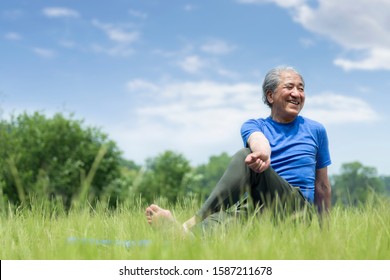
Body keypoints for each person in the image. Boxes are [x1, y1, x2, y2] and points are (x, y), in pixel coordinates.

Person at [145, 65, 332, 236]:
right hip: (254, 207)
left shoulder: (316, 130)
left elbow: (322, 186)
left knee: (245, 156)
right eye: (289, 87)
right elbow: (257, 139)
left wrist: (326, 235)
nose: (297, 93)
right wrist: (263, 152)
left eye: (301, 88)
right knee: (209, 230)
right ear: (270, 96)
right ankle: (180, 235)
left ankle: (190, 222)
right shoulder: (253, 125)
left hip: (295, 208)